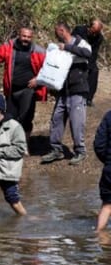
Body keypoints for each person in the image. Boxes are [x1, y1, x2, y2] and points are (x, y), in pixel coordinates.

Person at [41, 22, 92, 165]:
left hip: (78, 89)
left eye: (57, 32)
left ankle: (80, 152)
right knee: (56, 119)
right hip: (63, 91)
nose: (56, 35)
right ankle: (56, 150)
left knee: (77, 122)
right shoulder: (59, 47)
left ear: (62, 31)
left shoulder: (81, 43)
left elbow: (88, 53)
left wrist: (68, 47)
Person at [0, 27, 47, 139]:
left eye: (29, 37)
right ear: (19, 35)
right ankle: (11, 142)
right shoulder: (10, 47)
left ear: (32, 37)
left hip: (28, 90)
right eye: (24, 36)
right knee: (10, 118)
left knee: (26, 117)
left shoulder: (39, 51)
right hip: (12, 89)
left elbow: (48, 69)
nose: (26, 39)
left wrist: (38, 79)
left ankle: (24, 143)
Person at [72, 18, 105, 106]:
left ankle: (88, 98)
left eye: (96, 33)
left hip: (88, 57)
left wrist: (89, 65)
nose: (94, 34)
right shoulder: (79, 30)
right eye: (93, 31)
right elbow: (72, 43)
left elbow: (94, 53)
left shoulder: (99, 38)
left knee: (94, 71)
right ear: (89, 27)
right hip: (75, 55)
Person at [92, 108, 111, 231]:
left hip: (110, 170)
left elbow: (99, 144)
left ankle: (99, 235)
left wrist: (108, 161)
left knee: (107, 205)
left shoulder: (109, 115)